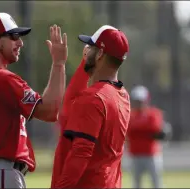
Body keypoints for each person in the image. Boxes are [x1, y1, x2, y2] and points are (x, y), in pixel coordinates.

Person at [0, 12, 68, 188]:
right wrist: (59, 64)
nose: (20, 42)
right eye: (14, 36)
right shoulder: (1, 78)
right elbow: (49, 111)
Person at [51, 25, 130, 188]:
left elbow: (80, 154)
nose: (86, 51)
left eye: (91, 47)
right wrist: (85, 64)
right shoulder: (123, 95)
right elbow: (70, 104)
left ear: (100, 53)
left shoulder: (93, 98)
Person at [126, 85, 172, 188]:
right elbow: (129, 130)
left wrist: (138, 129)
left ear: (146, 100)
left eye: (141, 100)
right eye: (137, 100)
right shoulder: (130, 115)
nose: (139, 103)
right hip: (135, 154)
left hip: (152, 154)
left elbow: (156, 128)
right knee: (136, 183)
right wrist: (145, 130)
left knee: (156, 182)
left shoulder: (154, 113)